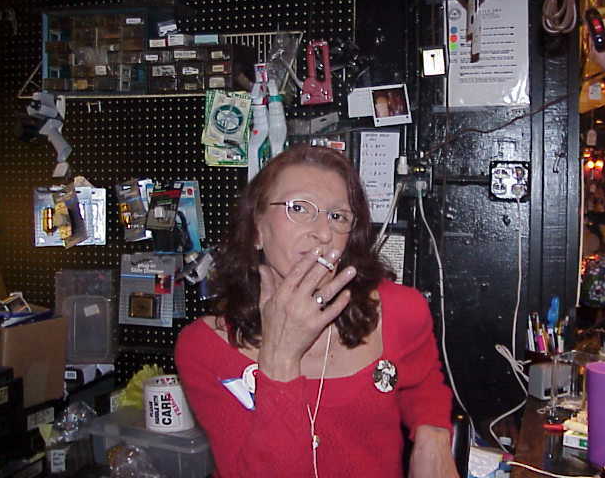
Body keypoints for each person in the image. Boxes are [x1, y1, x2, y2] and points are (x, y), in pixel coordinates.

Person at [175, 144, 458, 478]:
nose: (323, 233)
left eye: (337, 216)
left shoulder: (399, 309)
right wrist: (280, 361)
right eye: (299, 208)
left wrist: (433, 434)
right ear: (256, 230)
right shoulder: (205, 348)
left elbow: (422, 383)